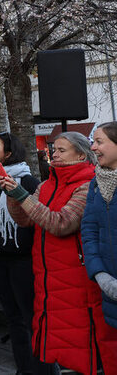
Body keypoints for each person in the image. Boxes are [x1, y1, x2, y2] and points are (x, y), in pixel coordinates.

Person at [5, 132, 117, 374]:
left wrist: (21, 196)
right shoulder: (47, 185)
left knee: (83, 344)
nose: (54, 154)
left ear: (80, 153)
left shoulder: (88, 185)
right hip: (48, 278)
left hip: (76, 280)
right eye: (54, 149)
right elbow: (25, 219)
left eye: (62, 150)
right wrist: (13, 197)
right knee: (59, 344)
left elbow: (61, 223)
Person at [0, 132, 42, 374]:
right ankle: (23, 367)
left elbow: (37, 218)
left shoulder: (27, 182)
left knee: (29, 317)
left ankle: (41, 367)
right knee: (13, 318)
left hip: (22, 261)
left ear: (8, 153)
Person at [84, 123, 117, 332]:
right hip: (110, 287)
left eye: (99, 142)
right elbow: (89, 231)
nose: (93, 148)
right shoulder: (96, 184)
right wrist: (100, 274)